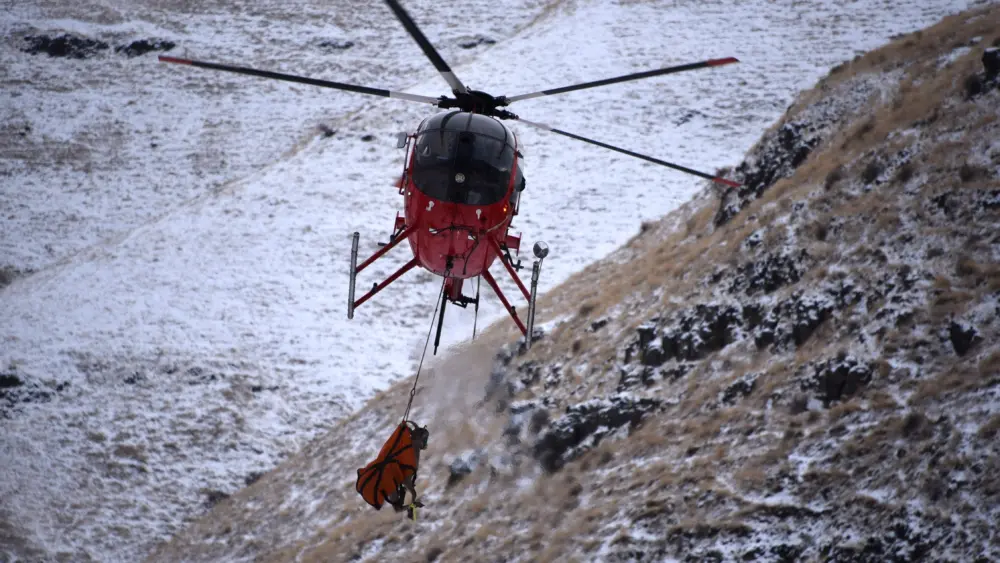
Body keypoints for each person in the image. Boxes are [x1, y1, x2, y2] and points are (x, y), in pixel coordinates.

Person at [356, 421, 429, 520]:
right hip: (386, 476)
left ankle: (410, 508)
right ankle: (410, 509)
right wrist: (413, 493)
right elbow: (406, 481)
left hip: (386, 473)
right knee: (398, 504)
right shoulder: (408, 456)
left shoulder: (405, 450)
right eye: (423, 440)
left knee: (400, 496)